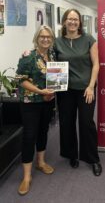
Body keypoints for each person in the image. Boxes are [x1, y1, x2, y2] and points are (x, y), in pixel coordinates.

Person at [54, 8, 102, 176]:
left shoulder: (89, 39)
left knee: (86, 123)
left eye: (75, 19)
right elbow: (47, 59)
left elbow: (96, 64)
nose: (72, 22)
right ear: (64, 21)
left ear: (80, 22)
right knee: (67, 123)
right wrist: (28, 53)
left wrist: (91, 86)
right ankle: (71, 154)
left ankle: (93, 159)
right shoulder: (57, 41)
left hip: (85, 89)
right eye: (69, 19)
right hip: (64, 90)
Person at [16, 25, 56, 195]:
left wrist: (54, 90)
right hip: (30, 102)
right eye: (42, 37)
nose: (45, 39)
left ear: (52, 39)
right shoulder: (28, 56)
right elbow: (21, 80)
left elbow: (56, 78)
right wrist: (41, 91)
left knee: (43, 131)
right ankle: (26, 176)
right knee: (29, 136)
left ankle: (40, 162)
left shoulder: (52, 56)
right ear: (36, 38)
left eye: (48, 37)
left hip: (48, 102)